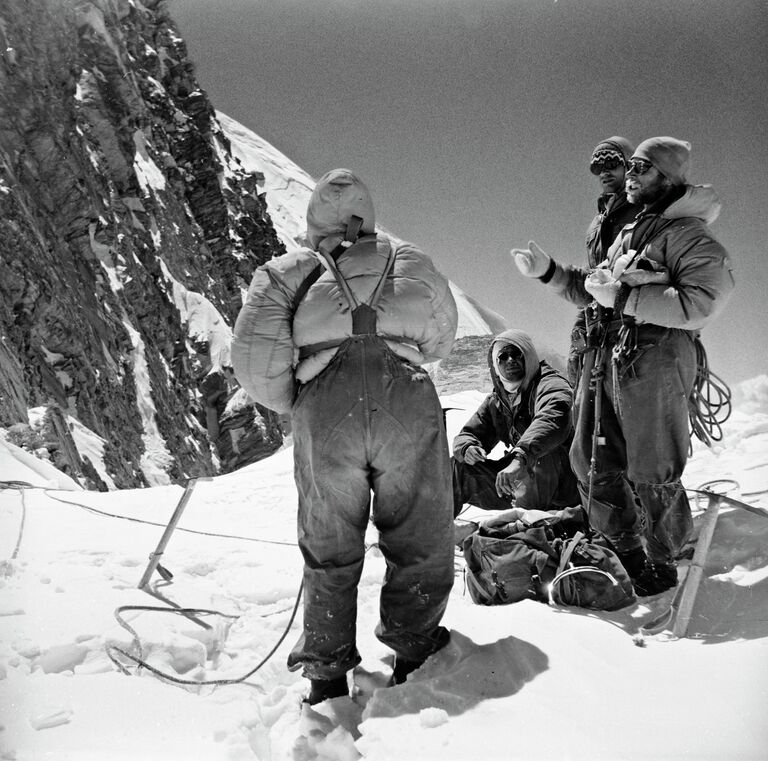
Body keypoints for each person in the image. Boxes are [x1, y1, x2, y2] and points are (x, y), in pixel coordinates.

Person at [232, 168, 458, 704]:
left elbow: (254, 360)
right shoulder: (411, 262)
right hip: (406, 398)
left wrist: (306, 400)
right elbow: (443, 337)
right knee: (419, 531)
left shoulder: (290, 271)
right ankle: (414, 651)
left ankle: (327, 675)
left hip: (325, 406)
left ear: (314, 220)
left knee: (329, 543)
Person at [511, 137, 735, 596]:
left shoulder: (688, 236)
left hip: (654, 357)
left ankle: (666, 561)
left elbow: (704, 300)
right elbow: (595, 291)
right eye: (630, 166)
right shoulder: (633, 235)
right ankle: (627, 551)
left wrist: (627, 297)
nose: (630, 173)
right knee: (590, 460)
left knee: (652, 468)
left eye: (642, 167)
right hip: (608, 356)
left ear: (668, 178)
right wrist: (549, 272)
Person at [452, 329, 580, 520]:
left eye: (516, 353)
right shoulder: (498, 400)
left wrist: (519, 458)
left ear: (528, 355)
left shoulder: (551, 383)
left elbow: (552, 417)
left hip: (564, 485)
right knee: (458, 468)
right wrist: (468, 448)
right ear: (496, 364)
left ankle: (529, 529)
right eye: (503, 356)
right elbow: (470, 433)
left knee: (539, 456)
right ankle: (440, 534)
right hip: (520, 483)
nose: (510, 360)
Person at [567, 137, 642, 383]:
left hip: (634, 332)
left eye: (611, 163)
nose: (604, 172)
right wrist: (579, 328)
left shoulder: (645, 210)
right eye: (598, 167)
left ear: (628, 166)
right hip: (599, 331)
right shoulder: (596, 225)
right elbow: (593, 278)